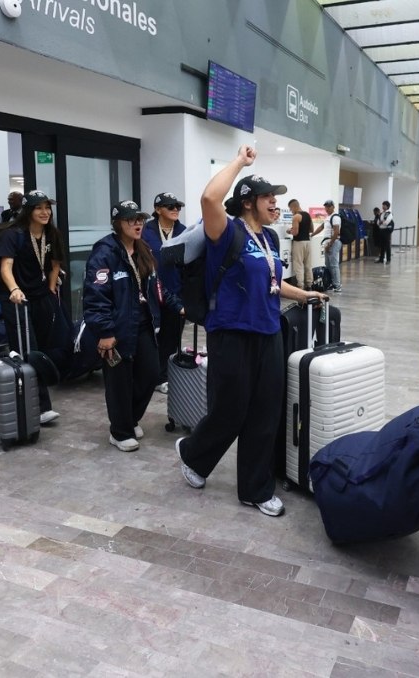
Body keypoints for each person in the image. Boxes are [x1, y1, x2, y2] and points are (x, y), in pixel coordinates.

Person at [175, 145, 327, 518]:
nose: (276, 204)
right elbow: (210, 197)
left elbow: (274, 283)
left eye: (276, 198)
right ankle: (193, 453)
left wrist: (304, 292)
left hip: (267, 333)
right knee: (231, 410)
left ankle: (255, 489)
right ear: (247, 203)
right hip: (231, 334)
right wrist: (240, 162)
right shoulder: (226, 233)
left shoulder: (271, 240)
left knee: (265, 411)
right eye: (268, 198)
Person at [84, 200, 179, 451]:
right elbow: (95, 296)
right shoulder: (104, 252)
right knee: (119, 382)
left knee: (149, 375)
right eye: (131, 220)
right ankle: (120, 430)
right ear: (118, 224)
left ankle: (130, 418)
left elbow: (156, 287)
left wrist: (178, 305)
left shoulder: (143, 249)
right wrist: (104, 331)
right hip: (116, 328)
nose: (137, 224)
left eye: (140, 219)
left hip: (144, 323)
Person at [0, 190, 63, 425]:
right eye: (38, 208)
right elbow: (6, 267)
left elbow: (55, 264)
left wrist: (52, 288)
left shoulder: (51, 234)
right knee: (28, 350)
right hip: (17, 301)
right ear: (28, 211)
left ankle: (30, 397)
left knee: (43, 348)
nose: (45, 212)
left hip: (42, 296)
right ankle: (41, 407)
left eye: (47, 207)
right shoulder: (14, 235)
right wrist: (14, 289)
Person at [141, 192, 187, 394]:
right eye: (170, 206)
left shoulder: (185, 232)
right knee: (149, 338)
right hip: (150, 294)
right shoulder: (145, 231)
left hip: (176, 294)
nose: (175, 209)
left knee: (171, 338)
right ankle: (146, 374)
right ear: (158, 210)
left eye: (177, 206)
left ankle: (163, 376)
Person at [287, 198, 320, 289]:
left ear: (294, 206)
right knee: (308, 265)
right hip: (307, 242)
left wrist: (289, 231)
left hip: (299, 243)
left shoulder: (296, 216)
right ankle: (309, 285)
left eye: (290, 208)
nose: (290, 211)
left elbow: (295, 233)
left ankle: (300, 285)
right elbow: (311, 230)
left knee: (298, 265)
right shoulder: (307, 215)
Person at [322, 199, 343, 292]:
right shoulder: (328, 217)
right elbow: (321, 227)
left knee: (334, 265)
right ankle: (331, 283)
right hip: (329, 243)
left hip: (334, 242)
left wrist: (330, 244)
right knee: (328, 264)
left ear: (333, 207)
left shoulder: (335, 217)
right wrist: (312, 234)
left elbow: (336, 232)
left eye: (329, 206)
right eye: (326, 206)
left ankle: (337, 285)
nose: (327, 208)